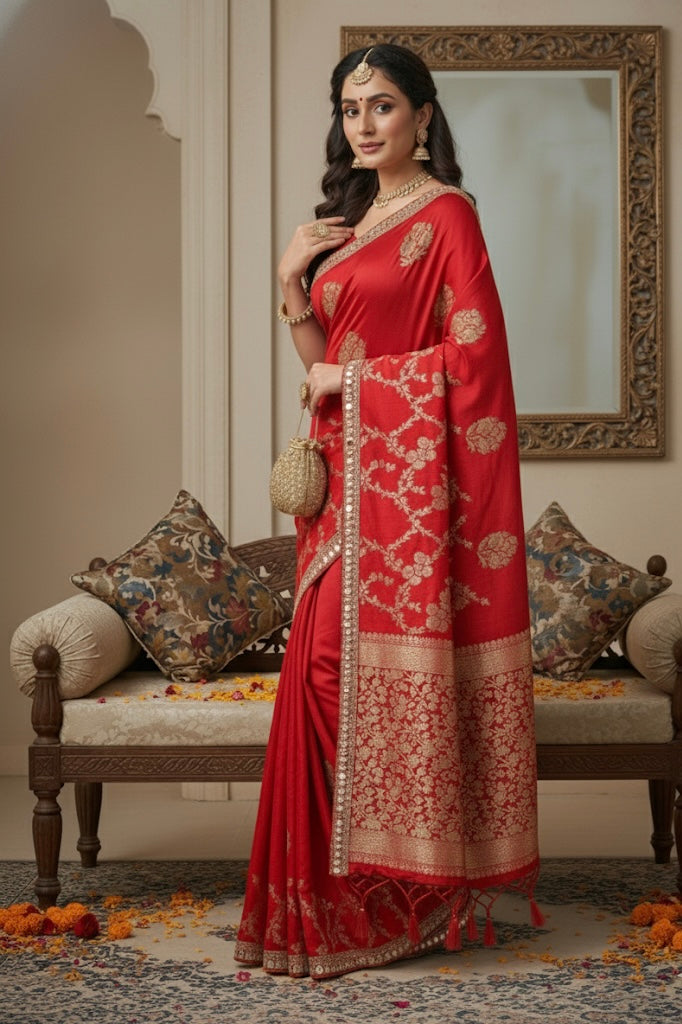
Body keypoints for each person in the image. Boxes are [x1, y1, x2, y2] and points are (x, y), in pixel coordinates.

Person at [234, 43, 541, 980]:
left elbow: (477, 364)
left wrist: (351, 380)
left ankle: (388, 902)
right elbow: (319, 373)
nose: (363, 125)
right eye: (350, 107)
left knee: (338, 678)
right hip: (344, 490)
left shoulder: (448, 216)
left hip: (404, 503)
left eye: (383, 107)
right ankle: (324, 909)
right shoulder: (350, 221)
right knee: (320, 683)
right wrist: (291, 283)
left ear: (423, 116)